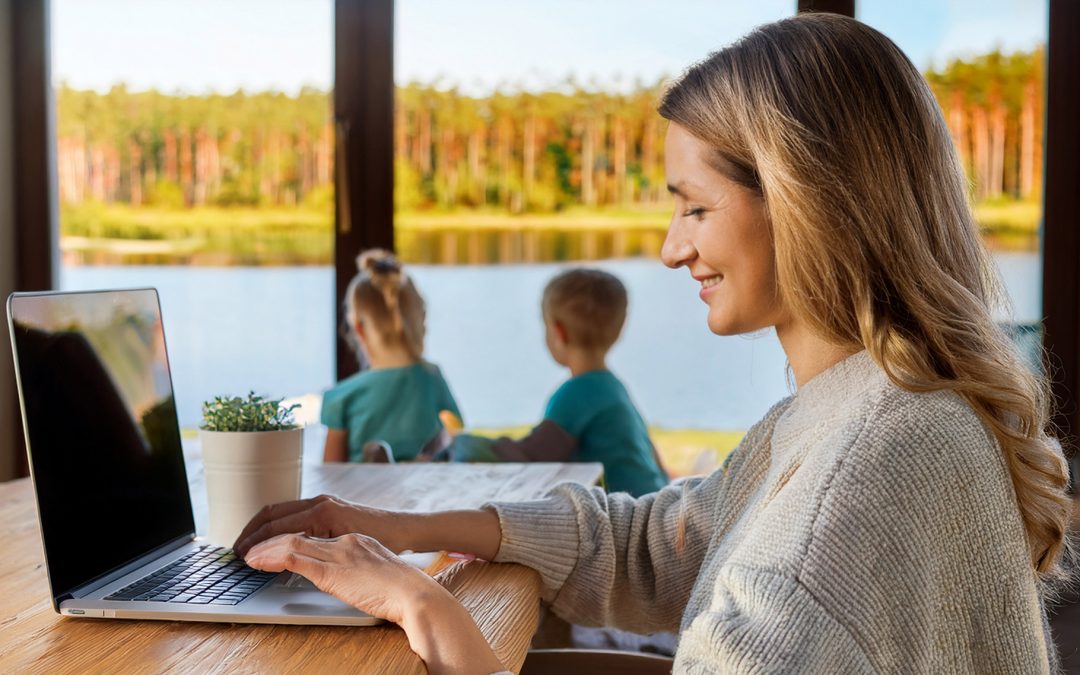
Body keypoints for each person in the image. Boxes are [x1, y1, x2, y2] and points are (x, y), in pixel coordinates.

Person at [234, 14, 1073, 674]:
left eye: (695, 208)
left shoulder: (854, 484)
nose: (673, 249)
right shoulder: (874, 406)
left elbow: (776, 575)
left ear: (807, 206)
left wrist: (424, 606)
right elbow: (670, 540)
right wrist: (393, 524)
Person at [454, 268, 668, 497]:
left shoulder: (577, 392)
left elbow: (535, 455)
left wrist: (464, 444)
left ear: (558, 333)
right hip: (650, 503)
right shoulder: (611, 387)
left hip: (626, 517)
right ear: (620, 328)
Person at [321, 249, 463, 463]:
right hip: (423, 491)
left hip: (360, 495)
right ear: (421, 318)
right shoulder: (432, 378)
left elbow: (331, 476)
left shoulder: (340, 398)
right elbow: (458, 435)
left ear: (358, 328)